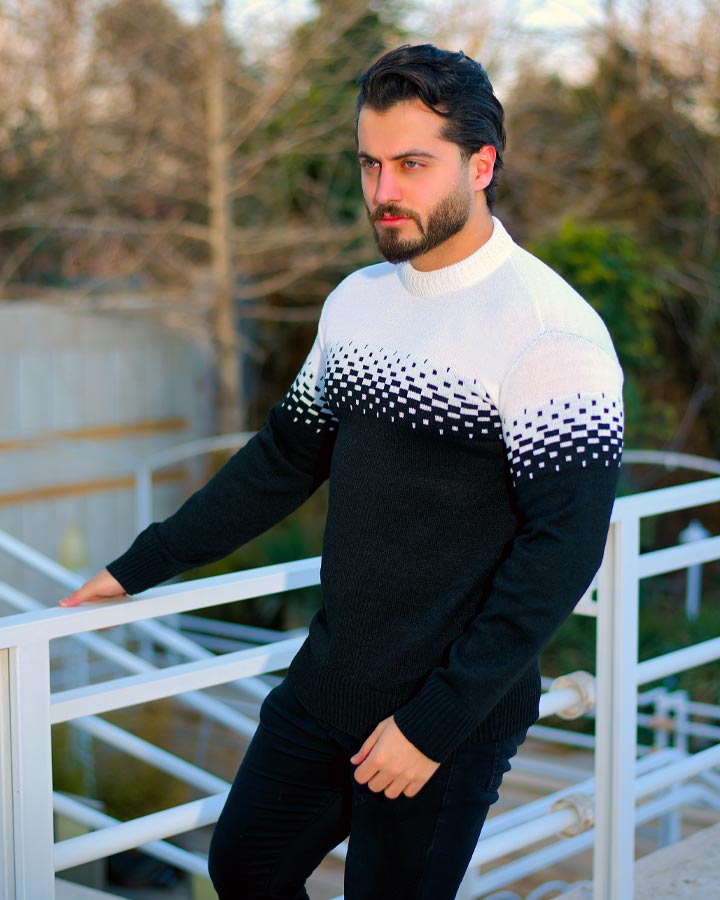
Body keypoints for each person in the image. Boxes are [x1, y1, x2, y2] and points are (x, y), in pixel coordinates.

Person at [60, 44, 624, 900]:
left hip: (447, 712)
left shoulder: (551, 334)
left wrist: (433, 725)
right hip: (329, 681)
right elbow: (285, 456)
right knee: (244, 866)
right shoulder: (357, 300)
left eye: (412, 164)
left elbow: (563, 549)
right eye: (370, 163)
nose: (383, 190)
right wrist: (142, 564)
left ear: (482, 164)